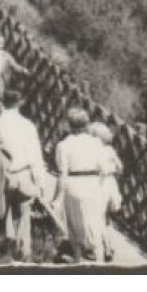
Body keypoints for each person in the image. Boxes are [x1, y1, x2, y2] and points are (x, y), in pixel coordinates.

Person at [0, 88, 51, 260]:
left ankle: (0, 255)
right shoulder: (28, 126)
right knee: (23, 219)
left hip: (2, 175)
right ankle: (23, 256)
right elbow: (35, 157)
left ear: (2, 102)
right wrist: (40, 184)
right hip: (24, 175)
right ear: (20, 103)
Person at [52, 108, 109, 262]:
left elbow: (62, 173)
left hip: (73, 186)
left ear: (69, 125)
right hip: (93, 185)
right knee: (95, 229)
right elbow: (105, 169)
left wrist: (57, 198)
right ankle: (100, 265)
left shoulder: (63, 145)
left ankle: (78, 264)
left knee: (75, 232)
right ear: (86, 124)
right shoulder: (97, 143)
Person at [88, 122, 123, 262]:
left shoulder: (93, 151)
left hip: (99, 184)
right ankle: (108, 246)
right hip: (111, 184)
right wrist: (112, 170)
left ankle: (104, 248)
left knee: (99, 218)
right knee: (105, 218)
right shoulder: (109, 150)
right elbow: (121, 167)